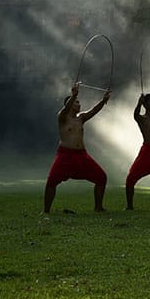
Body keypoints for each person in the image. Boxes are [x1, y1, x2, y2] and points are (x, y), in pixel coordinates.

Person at [43, 83, 111, 213]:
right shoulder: (62, 117)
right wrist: (73, 96)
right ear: (69, 105)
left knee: (101, 177)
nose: (78, 104)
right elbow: (65, 109)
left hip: (81, 155)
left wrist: (104, 100)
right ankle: (46, 210)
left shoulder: (81, 118)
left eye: (78, 102)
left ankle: (98, 207)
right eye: (75, 102)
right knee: (52, 181)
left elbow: (93, 111)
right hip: (64, 155)